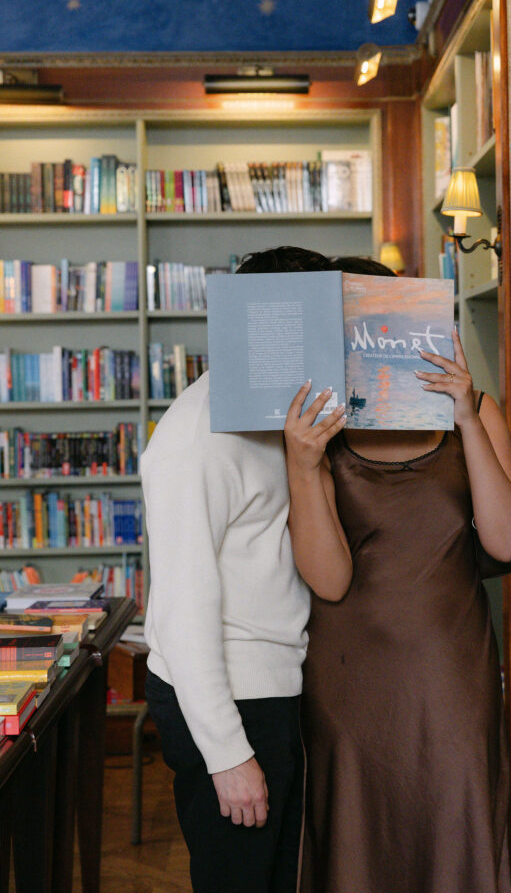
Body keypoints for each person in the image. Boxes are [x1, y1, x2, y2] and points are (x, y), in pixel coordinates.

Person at [284, 255, 511, 893]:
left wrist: (467, 418)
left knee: (457, 826)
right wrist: (304, 466)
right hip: (347, 682)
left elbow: (505, 544)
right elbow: (329, 581)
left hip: (451, 676)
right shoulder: (319, 431)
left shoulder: (475, 410)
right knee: (356, 843)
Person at [143, 246, 339, 893]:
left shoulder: (279, 419)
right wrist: (228, 755)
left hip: (270, 690)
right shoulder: (195, 436)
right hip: (227, 699)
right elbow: (179, 612)